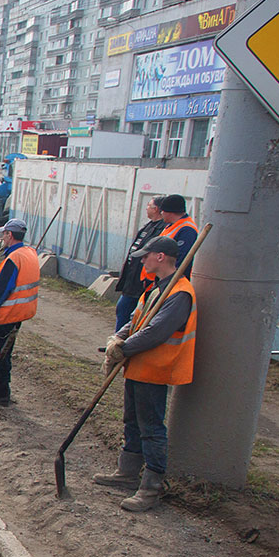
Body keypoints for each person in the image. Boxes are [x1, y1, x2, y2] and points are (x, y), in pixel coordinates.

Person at [94, 235, 196, 512]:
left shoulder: (179, 293)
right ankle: (127, 473)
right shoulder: (156, 289)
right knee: (132, 421)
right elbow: (136, 320)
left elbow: (157, 332)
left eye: (146, 257)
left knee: (151, 428)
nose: (143, 262)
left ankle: (151, 489)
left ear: (160, 257)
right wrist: (118, 338)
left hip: (156, 369)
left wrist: (124, 349)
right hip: (138, 367)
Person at [0, 217, 39, 406]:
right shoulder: (29, 252)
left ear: (9, 235)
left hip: (7, 314)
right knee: (5, 352)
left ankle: (1, 394)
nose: (2, 238)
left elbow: (4, 289)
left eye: (4, 234)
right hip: (22, 312)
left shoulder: (13, 258)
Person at [114, 197, 165, 331]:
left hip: (142, 280)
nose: (146, 208)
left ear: (156, 209)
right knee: (122, 309)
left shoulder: (162, 229)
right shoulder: (149, 226)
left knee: (131, 312)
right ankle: (116, 340)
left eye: (149, 205)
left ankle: (123, 343)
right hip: (132, 277)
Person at [147, 194, 198, 287]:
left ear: (170, 212)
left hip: (171, 282)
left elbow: (181, 259)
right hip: (160, 278)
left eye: (162, 211)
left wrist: (166, 280)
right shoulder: (171, 225)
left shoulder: (187, 230)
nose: (161, 214)